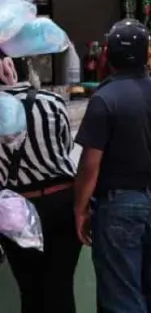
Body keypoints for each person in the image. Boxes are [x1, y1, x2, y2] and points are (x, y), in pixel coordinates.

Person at [74, 19, 151, 312]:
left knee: (122, 298)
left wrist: (80, 208)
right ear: (147, 54)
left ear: (107, 55)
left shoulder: (104, 99)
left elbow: (90, 164)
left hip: (117, 209)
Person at [0, 56, 80, 312]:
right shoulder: (52, 102)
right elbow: (64, 147)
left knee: (30, 292)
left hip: (15, 212)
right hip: (60, 202)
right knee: (61, 288)